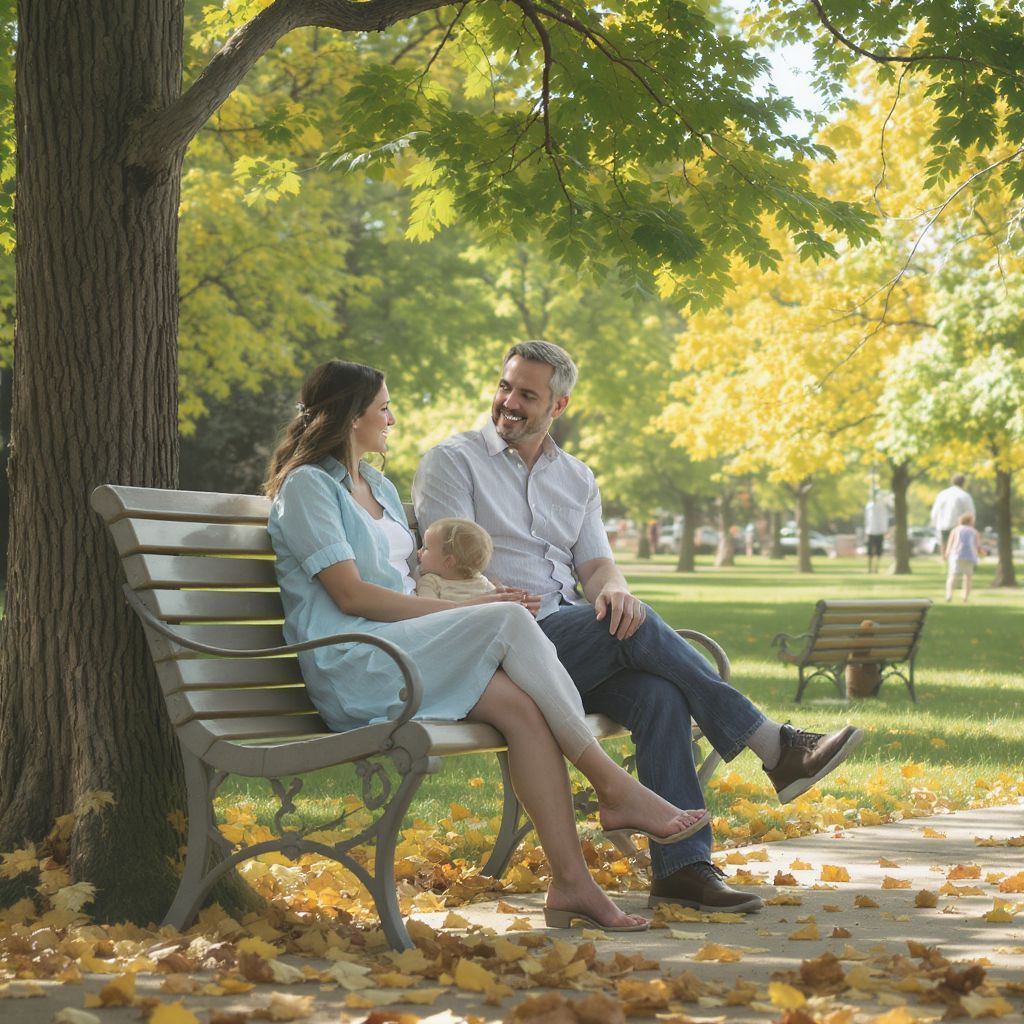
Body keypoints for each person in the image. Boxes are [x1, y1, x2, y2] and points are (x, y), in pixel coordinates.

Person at [413, 341, 864, 914]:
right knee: (633, 629)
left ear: (561, 404)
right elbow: (451, 564)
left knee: (658, 691)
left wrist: (616, 592)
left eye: (528, 394)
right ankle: (771, 743)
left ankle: (683, 869)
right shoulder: (453, 461)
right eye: (505, 386)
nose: (509, 402)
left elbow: (597, 565)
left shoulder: (576, 477)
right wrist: (530, 603)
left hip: (568, 644)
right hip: (497, 646)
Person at [264, 359, 712, 933]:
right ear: (353, 418)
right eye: (383, 408)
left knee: (524, 711)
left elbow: (413, 578)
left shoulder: (374, 484)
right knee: (505, 618)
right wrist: (468, 609)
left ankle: (572, 884)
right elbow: (351, 597)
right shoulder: (307, 488)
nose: (392, 419)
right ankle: (613, 785)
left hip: (408, 649)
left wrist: (469, 597)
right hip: (361, 663)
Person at [416, 517, 497, 602]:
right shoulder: (430, 582)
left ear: (448, 561)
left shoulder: (483, 583)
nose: (418, 552)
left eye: (425, 548)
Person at [930, 474, 975, 555]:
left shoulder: (942, 494)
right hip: (959, 528)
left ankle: (946, 565)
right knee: (957, 551)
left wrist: (934, 524)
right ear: (963, 483)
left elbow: (934, 512)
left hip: (943, 527)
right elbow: (971, 513)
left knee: (945, 550)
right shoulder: (964, 495)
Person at [944, 512, 980, 603]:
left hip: (956, 554)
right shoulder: (974, 531)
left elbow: (950, 542)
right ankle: (965, 597)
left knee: (953, 575)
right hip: (970, 556)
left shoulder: (955, 530)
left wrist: (947, 553)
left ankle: (949, 595)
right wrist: (979, 553)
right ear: (970, 521)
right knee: (967, 577)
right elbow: (977, 545)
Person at [864, 489, 889, 574]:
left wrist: (885, 530)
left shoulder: (882, 507)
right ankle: (870, 568)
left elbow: (884, 519)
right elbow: (867, 519)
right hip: (871, 531)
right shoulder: (869, 506)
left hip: (879, 531)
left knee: (878, 551)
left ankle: (876, 568)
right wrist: (866, 530)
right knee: (870, 551)